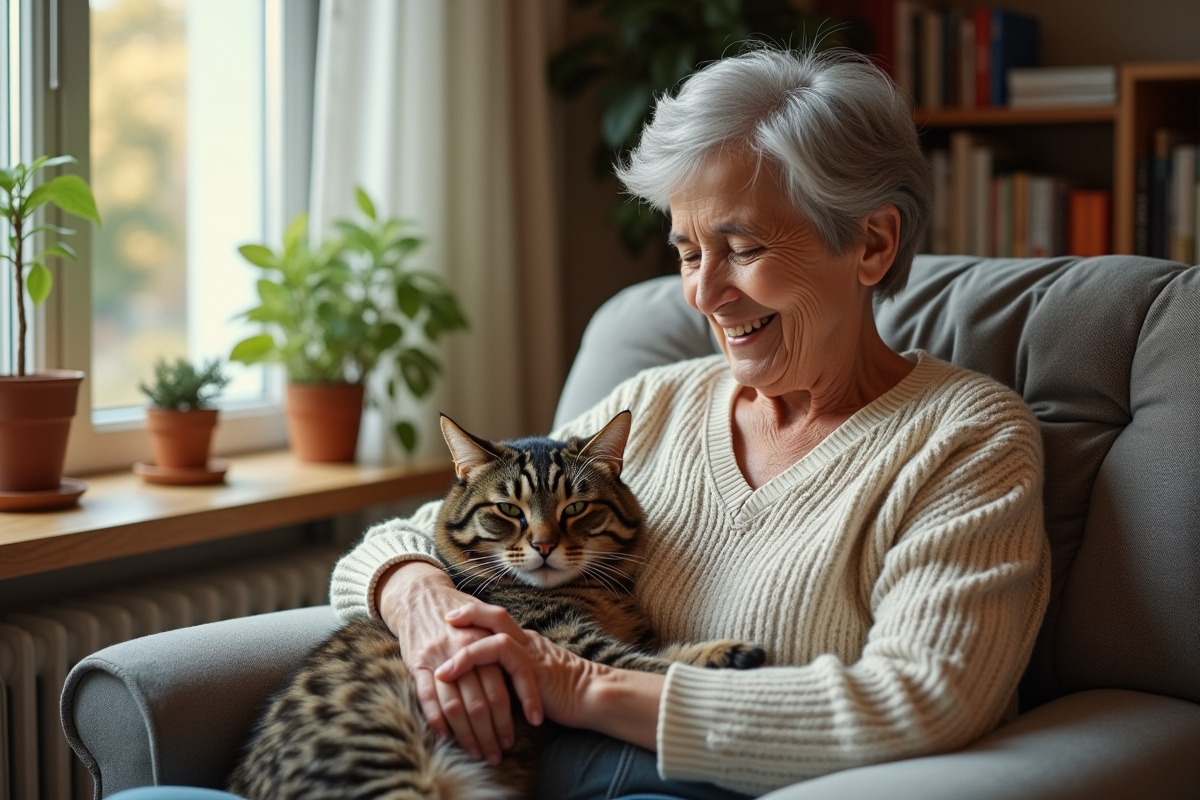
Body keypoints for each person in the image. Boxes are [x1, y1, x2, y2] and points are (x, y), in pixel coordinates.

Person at [330, 47, 1050, 800]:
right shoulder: (656, 402)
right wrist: (423, 601)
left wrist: (577, 684)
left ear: (872, 243)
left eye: (741, 250)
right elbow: (406, 537)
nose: (704, 294)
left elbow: (922, 697)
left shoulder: (967, 439)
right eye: (686, 254)